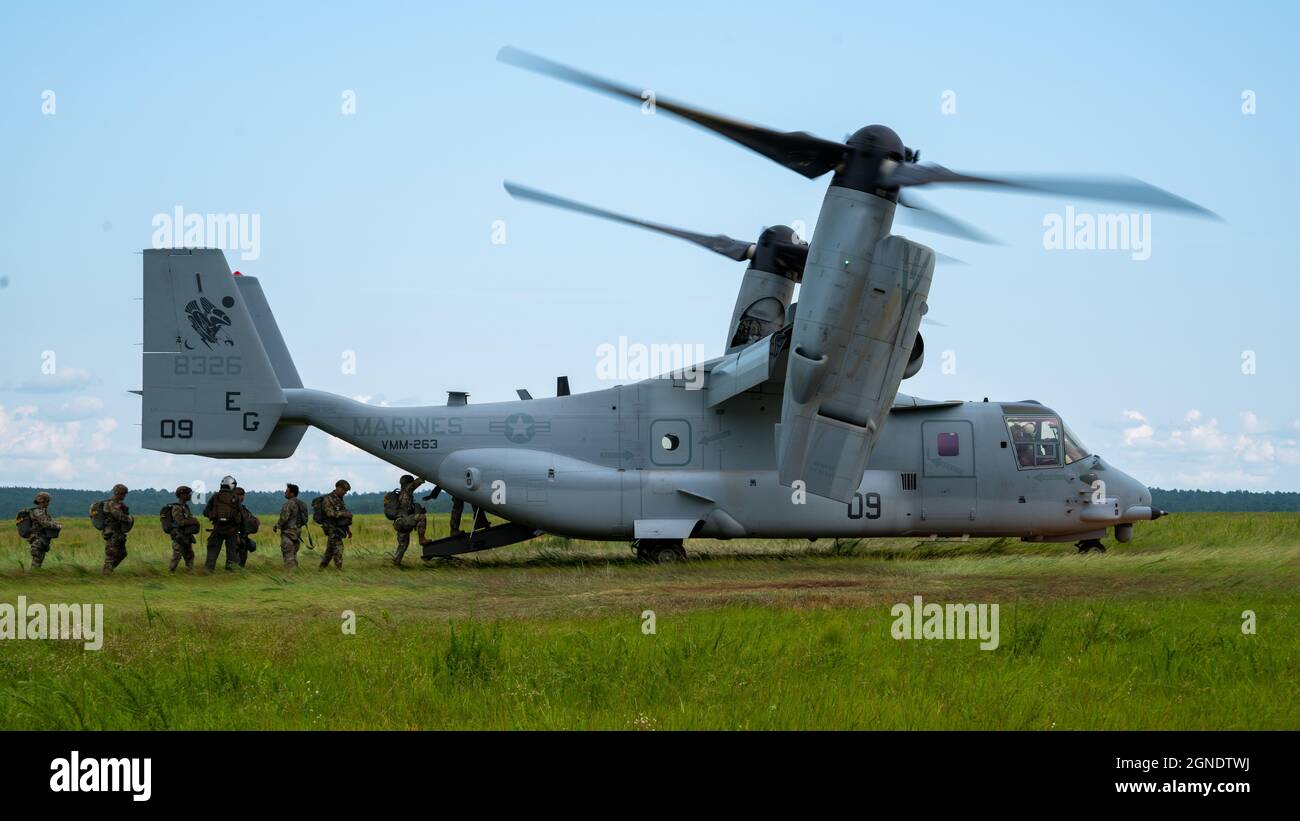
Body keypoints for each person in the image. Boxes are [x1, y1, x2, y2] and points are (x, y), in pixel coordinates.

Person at [390, 474, 433, 567]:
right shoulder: (407, 491)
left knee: (403, 545)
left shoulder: (400, 494)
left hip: (398, 522)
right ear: (409, 483)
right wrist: (425, 474)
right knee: (422, 517)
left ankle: (396, 562)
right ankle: (422, 539)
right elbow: (417, 482)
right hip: (403, 521)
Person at [203, 475, 243, 571]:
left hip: (217, 528)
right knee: (231, 554)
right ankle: (230, 573)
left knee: (212, 551)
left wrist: (215, 517)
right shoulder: (235, 498)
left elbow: (205, 512)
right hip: (231, 529)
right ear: (232, 485)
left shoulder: (215, 496)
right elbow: (240, 514)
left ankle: (208, 571)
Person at [320, 479, 353, 570]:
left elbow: (342, 519)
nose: (345, 493)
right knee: (339, 549)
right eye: (344, 490)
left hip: (339, 529)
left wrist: (348, 530)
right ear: (338, 488)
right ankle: (338, 571)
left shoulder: (339, 500)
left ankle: (321, 568)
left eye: (345, 491)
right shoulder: (328, 499)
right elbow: (329, 513)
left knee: (330, 551)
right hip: (331, 528)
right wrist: (344, 514)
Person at [100, 484, 133, 574]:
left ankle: (108, 570)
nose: (124, 496)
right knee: (111, 554)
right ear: (117, 493)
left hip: (118, 532)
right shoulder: (111, 504)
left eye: (124, 494)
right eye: (123, 494)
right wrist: (129, 519)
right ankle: (106, 573)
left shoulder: (120, 504)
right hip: (112, 532)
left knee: (122, 553)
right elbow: (118, 516)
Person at [273, 483, 308, 569]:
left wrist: (277, 526)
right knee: (293, 556)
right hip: (297, 535)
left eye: (287, 491)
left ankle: (291, 578)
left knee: (288, 558)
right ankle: (295, 576)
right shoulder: (302, 504)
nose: (285, 492)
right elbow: (305, 520)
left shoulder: (288, 504)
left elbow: (284, 519)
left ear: (292, 493)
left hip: (287, 535)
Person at [166, 485, 200, 571]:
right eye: (187, 494)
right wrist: (193, 521)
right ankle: (170, 573)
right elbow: (180, 522)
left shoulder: (185, 507)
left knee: (189, 555)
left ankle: (189, 572)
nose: (189, 495)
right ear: (181, 495)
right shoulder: (177, 507)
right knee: (176, 556)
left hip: (186, 535)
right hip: (179, 535)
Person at [25, 491, 62, 569]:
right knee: (36, 564)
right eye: (47, 501)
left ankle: (35, 577)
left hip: (42, 540)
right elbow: (45, 523)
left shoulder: (43, 512)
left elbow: (48, 521)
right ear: (43, 501)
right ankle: (33, 578)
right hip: (37, 540)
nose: (48, 503)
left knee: (38, 563)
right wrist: (57, 526)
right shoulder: (38, 512)